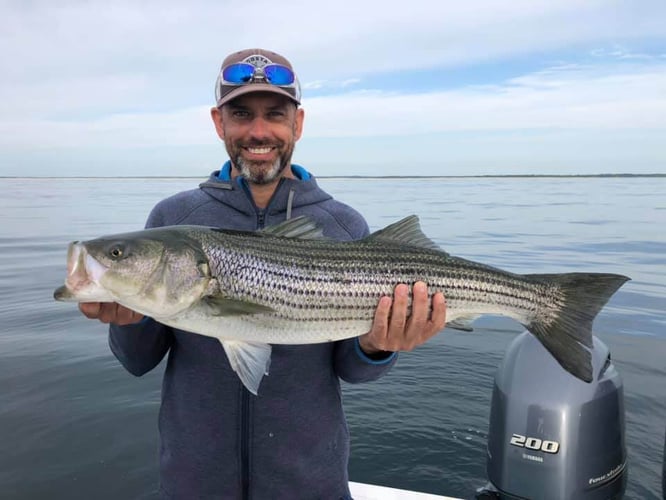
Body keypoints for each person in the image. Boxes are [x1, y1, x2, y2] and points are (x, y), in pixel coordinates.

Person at [79, 48, 447, 499]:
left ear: (298, 123)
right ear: (219, 123)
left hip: (310, 484)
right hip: (194, 484)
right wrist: (130, 316)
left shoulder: (343, 226)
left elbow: (354, 371)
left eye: (275, 114)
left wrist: (377, 347)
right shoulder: (173, 218)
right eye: (241, 114)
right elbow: (137, 361)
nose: (258, 131)